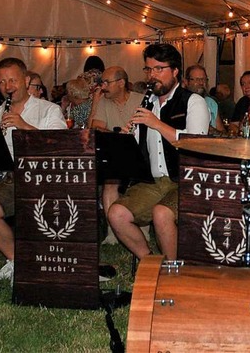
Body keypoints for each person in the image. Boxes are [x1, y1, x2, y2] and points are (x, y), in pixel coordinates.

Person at [107, 43, 209, 260]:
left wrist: (156, 123)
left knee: (161, 213)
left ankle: (173, 271)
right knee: (116, 214)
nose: (152, 75)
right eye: (149, 69)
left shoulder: (193, 102)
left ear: (175, 71)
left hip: (186, 180)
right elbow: (137, 146)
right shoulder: (148, 103)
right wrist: (127, 139)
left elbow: (196, 144)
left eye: (158, 69)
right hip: (152, 181)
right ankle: (150, 262)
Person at [0, 58, 67, 283]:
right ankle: (18, 261)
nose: (7, 86)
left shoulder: (49, 109)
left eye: (12, 80)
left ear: (26, 80)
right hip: (11, 178)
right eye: (1, 82)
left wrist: (24, 126)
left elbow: (59, 146)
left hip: (44, 177)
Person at [90, 66, 145, 243]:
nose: (103, 86)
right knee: (109, 183)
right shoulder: (104, 102)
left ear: (121, 83)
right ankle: (113, 233)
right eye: (102, 82)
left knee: (142, 183)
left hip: (142, 153)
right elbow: (96, 127)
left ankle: (142, 230)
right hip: (115, 153)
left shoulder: (142, 100)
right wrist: (116, 137)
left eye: (107, 82)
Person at [183, 65, 225, 134]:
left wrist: (213, 131)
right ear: (186, 82)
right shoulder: (181, 102)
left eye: (203, 79)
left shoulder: (211, 102)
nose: (201, 83)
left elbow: (222, 132)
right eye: (197, 79)